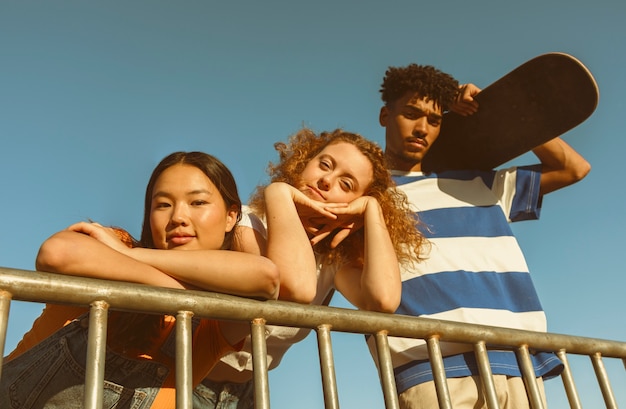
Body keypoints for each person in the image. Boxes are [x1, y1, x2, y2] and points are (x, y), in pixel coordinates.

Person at [365, 63, 591, 408]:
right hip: (430, 368)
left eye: (435, 120)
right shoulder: (368, 194)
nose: (422, 128)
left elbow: (573, 168)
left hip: (519, 362)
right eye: (411, 114)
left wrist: (495, 110)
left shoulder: (480, 182)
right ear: (385, 114)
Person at [1, 151, 280, 409]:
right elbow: (57, 253)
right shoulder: (116, 242)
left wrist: (131, 257)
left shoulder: (211, 325)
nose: (178, 217)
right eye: (163, 204)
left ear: (231, 217)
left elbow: (266, 278)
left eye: (198, 202)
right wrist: (180, 293)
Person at [192, 128, 428, 409]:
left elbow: (383, 300)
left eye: (347, 184)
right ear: (303, 162)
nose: (327, 181)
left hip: (246, 395)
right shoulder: (248, 223)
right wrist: (279, 194)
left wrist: (373, 210)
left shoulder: (330, 260)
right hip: (188, 381)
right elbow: (289, 285)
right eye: (324, 165)